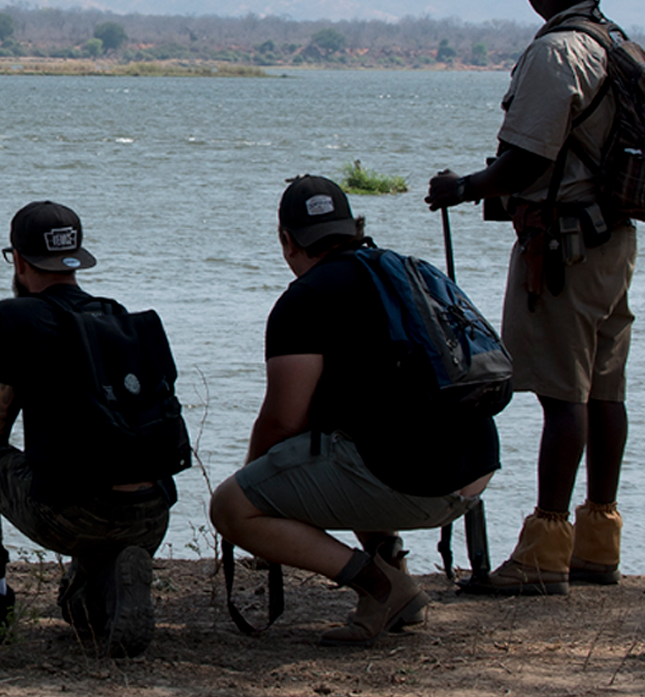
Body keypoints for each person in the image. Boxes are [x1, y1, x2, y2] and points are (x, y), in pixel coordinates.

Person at [427, 0, 633, 596]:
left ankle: (546, 549)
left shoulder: (558, 53)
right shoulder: (613, 42)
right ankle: (597, 541)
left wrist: (464, 188)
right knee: (604, 391)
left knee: (561, 393)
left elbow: (529, 158)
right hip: (611, 240)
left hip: (565, 247)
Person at [209, 176, 500, 646]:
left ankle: (376, 586)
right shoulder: (407, 271)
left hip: (416, 483)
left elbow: (283, 421)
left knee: (231, 507)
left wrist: (253, 481)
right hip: (477, 469)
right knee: (346, 442)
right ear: (354, 227)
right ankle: (398, 581)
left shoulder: (304, 300)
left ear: (286, 240)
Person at [0, 200, 176, 657]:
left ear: (19, 259)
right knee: (81, 612)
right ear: (76, 258)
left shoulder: (14, 316)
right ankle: (113, 580)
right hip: (150, 514)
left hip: (72, 516)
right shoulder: (117, 316)